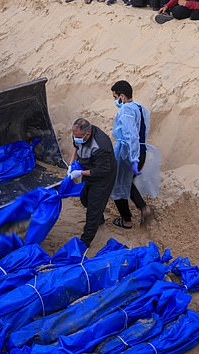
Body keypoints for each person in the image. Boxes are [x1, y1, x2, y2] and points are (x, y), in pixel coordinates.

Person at [109, 80, 153, 230]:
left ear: (122, 96)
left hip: (129, 152)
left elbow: (131, 135)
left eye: (115, 97)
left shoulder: (126, 110)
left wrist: (133, 158)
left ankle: (126, 220)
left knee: (118, 184)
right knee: (127, 182)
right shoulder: (140, 108)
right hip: (142, 150)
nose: (115, 101)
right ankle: (143, 208)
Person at [68, 118, 116, 247]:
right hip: (88, 169)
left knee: (93, 210)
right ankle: (99, 217)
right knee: (84, 199)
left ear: (87, 134)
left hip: (102, 177)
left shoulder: (101, 145)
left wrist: (80, 173)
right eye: (74, 136)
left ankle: (85, 242)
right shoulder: (79, 135)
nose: (75, 138)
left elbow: (101, 170)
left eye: (78, 136)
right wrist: (71, 164)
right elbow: (76, 146)